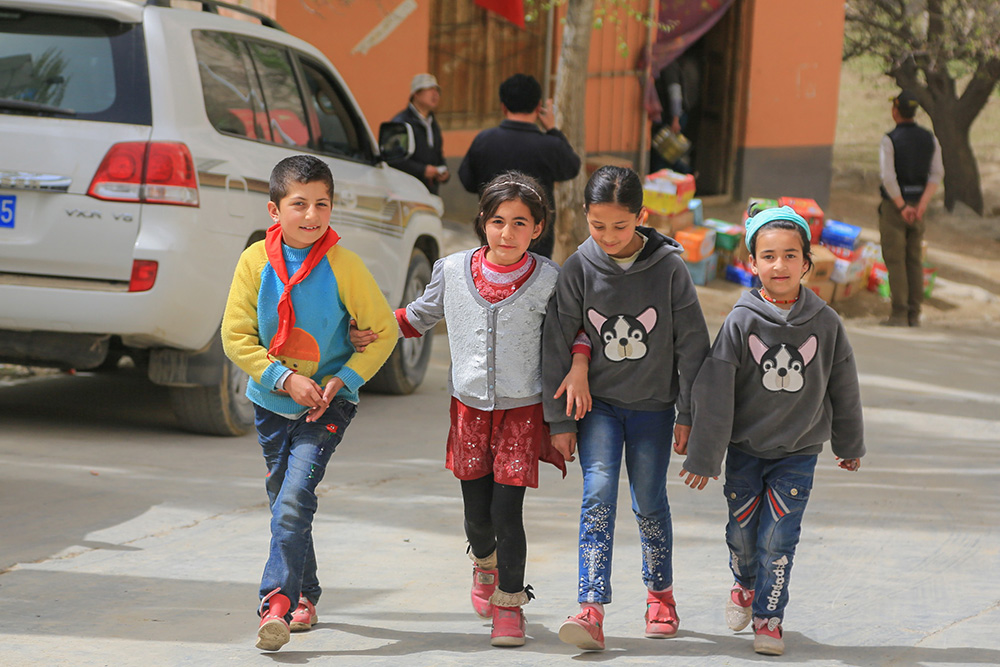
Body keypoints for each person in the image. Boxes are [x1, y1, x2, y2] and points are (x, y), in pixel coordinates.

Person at [377, 170, 583, 647]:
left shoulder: (550, 279)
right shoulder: (451, 270)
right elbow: (420, 316)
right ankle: (484, 564)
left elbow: (570, 335)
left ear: (538, 228)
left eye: (520, 223)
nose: (507, 233)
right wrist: (375, 328)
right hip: (468, 410)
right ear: (482, 222)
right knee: (477, 516)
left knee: (508, 513)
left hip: (522, 413)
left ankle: (509, 606)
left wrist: (574, 383)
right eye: (498, 221)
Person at [221, 155, 398, 652]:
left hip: (327, 405)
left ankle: (275, 602)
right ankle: (305, 594)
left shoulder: (344, 265)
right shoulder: (254, 261)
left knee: (294, 498)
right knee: (285, 499)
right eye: (299, 204)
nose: (312, 215)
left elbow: (383, 331)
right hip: (271, 402)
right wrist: (283, 378)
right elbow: (235, 336)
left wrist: (344, 378)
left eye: (322, 204)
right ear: (274, 210)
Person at [678, 205, 866, 657]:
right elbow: (716, 391)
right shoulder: (741, 321)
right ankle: (744, 582)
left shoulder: (826, 323)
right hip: (746, 449)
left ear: (806, 262)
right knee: (743, 536)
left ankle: (769, 617)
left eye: (789, 255)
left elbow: (844, 385)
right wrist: (705, 455)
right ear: (752, 263)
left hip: (798, 452)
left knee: (779, 538)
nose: (779, 265)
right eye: (768, 256)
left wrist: (848, 444)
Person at [542, 165, 711, 651]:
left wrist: (688, 414)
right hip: (597, 408)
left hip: (654, 410)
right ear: (585, 215)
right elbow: (557, 341)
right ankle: (590, 607)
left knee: (649, 499)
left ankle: (660, 596)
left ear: (642, 216)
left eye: (620, 225)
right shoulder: (578, 268)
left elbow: (692, 346)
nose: (609, 236)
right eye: (598, 225)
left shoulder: (670, 269)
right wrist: (559, 419)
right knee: (597, 494)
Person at [459, 73, 581, 259]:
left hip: (494, 239)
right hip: (536, 241)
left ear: (503, 106)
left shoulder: (484, 140)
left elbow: (467, 182)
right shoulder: (549, 145)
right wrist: (552, 129)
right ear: (538, 107)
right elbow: (572, 167)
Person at [878, 89, 943, 327]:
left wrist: (902, 206)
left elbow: (888, 177)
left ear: (895, 111)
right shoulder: (930, 138)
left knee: (895, 260)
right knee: (914, 259)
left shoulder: (890, 139)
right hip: (919, 207)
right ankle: (914, 314)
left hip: (895, 208)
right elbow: (937, 173)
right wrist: (921, 204)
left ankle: (899, 313)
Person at [389, 73, 449, 194]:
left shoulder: (432, 123)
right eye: (429, 89)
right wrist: (422, 170)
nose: (435, 94)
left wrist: (443, 171)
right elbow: (394, 159)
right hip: (407, 191)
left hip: (429, 190)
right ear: (416, 93)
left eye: (437, 90)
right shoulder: (401, 123)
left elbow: (437, 154)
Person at [650, 48, 701, 174]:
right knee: (665, 152)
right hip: (671, 116)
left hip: (673, 117)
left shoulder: (669, 67)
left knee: (664, 154)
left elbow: (675, 93)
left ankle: (688, 173)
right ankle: (689, 173)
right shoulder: (667, 65)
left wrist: (675, 119)